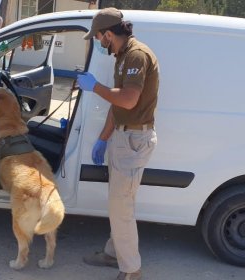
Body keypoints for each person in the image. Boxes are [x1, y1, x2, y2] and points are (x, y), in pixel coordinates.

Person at [77, 7, 159, 280]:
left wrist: (95, 87)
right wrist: (103, 138)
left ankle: (131, 271)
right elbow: (118, 105)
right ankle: (114, 254)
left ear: (109, 34)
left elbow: (128, 100)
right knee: (118, 204)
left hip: (134, 139)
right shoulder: (123, 57)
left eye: (99, 38)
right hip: (124, 137)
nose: (99, 43)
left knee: (121, 207)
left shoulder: (135, 55)